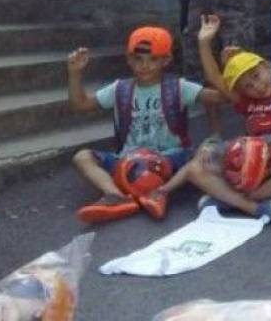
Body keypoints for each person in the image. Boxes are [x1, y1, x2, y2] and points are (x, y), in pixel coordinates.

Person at [154, 15, 271, 222]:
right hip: (244, 170)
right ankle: (253, 208)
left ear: (268, 66)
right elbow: (215, 78)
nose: (257, 86)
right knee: (197, 165)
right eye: (248, 86)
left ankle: (227, 200)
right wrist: (204, 42)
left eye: (256, 76)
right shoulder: (246, 101)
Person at [66, 27, 223, 224]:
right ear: (129, 60)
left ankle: (160, 191)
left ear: (166, 60)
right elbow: (80, 104)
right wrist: (75, 73)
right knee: (82, 157)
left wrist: (205, 47)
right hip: (128, 159)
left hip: (171, 158)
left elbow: (220, 97)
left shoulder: (178, 87)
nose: (145, 66)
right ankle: (115, 196)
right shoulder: (119, 89)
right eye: (138, 59)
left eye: (153, 59)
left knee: (207, 152)